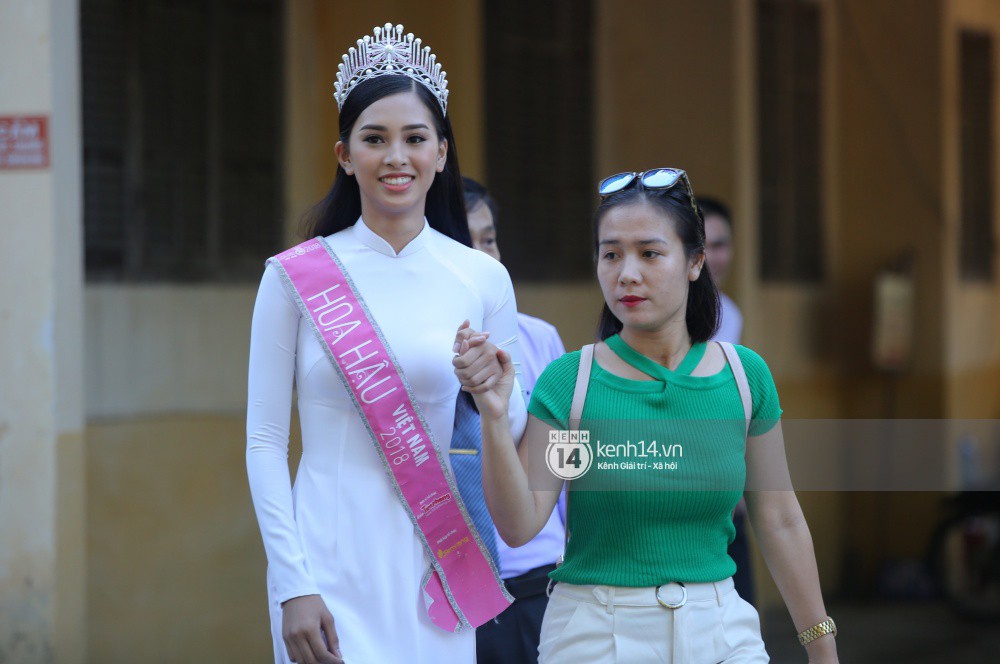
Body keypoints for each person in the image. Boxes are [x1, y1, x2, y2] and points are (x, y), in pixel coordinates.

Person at [452, 168, 839, 662]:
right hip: (597, 636)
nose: (626, 273)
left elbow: (779, 519)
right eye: (611, 254)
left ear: (695, 261)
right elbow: (521, 524)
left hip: (722, 630)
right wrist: (492, 414)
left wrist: (821, 645)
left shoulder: (744, 379)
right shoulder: (573, 386)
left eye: (650, 253)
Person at [246, 24, 527, 664]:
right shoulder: (292, 277)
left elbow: (510, 427)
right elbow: (264, 441)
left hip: (437, 563)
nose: (396, 156)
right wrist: (291, 583)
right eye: (374, 139)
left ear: (441, 153)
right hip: (323, 564)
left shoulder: (481, 277)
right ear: (345, 155)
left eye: (415, 138)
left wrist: (490, 392)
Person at [461, 177, 567, 663]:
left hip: (537, 585)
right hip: (447, 594)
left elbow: (567, 464)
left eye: (488, 240)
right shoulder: (404, 355)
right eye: (463, 243)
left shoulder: (540, 339)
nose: (482, 257)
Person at [701, 195, 755, 606]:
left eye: (720, 245)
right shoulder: (649, 318)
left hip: (725, 489)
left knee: (737, 606)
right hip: (678, 488)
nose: (711, 257)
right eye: (700, 245)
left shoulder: (730, 314)